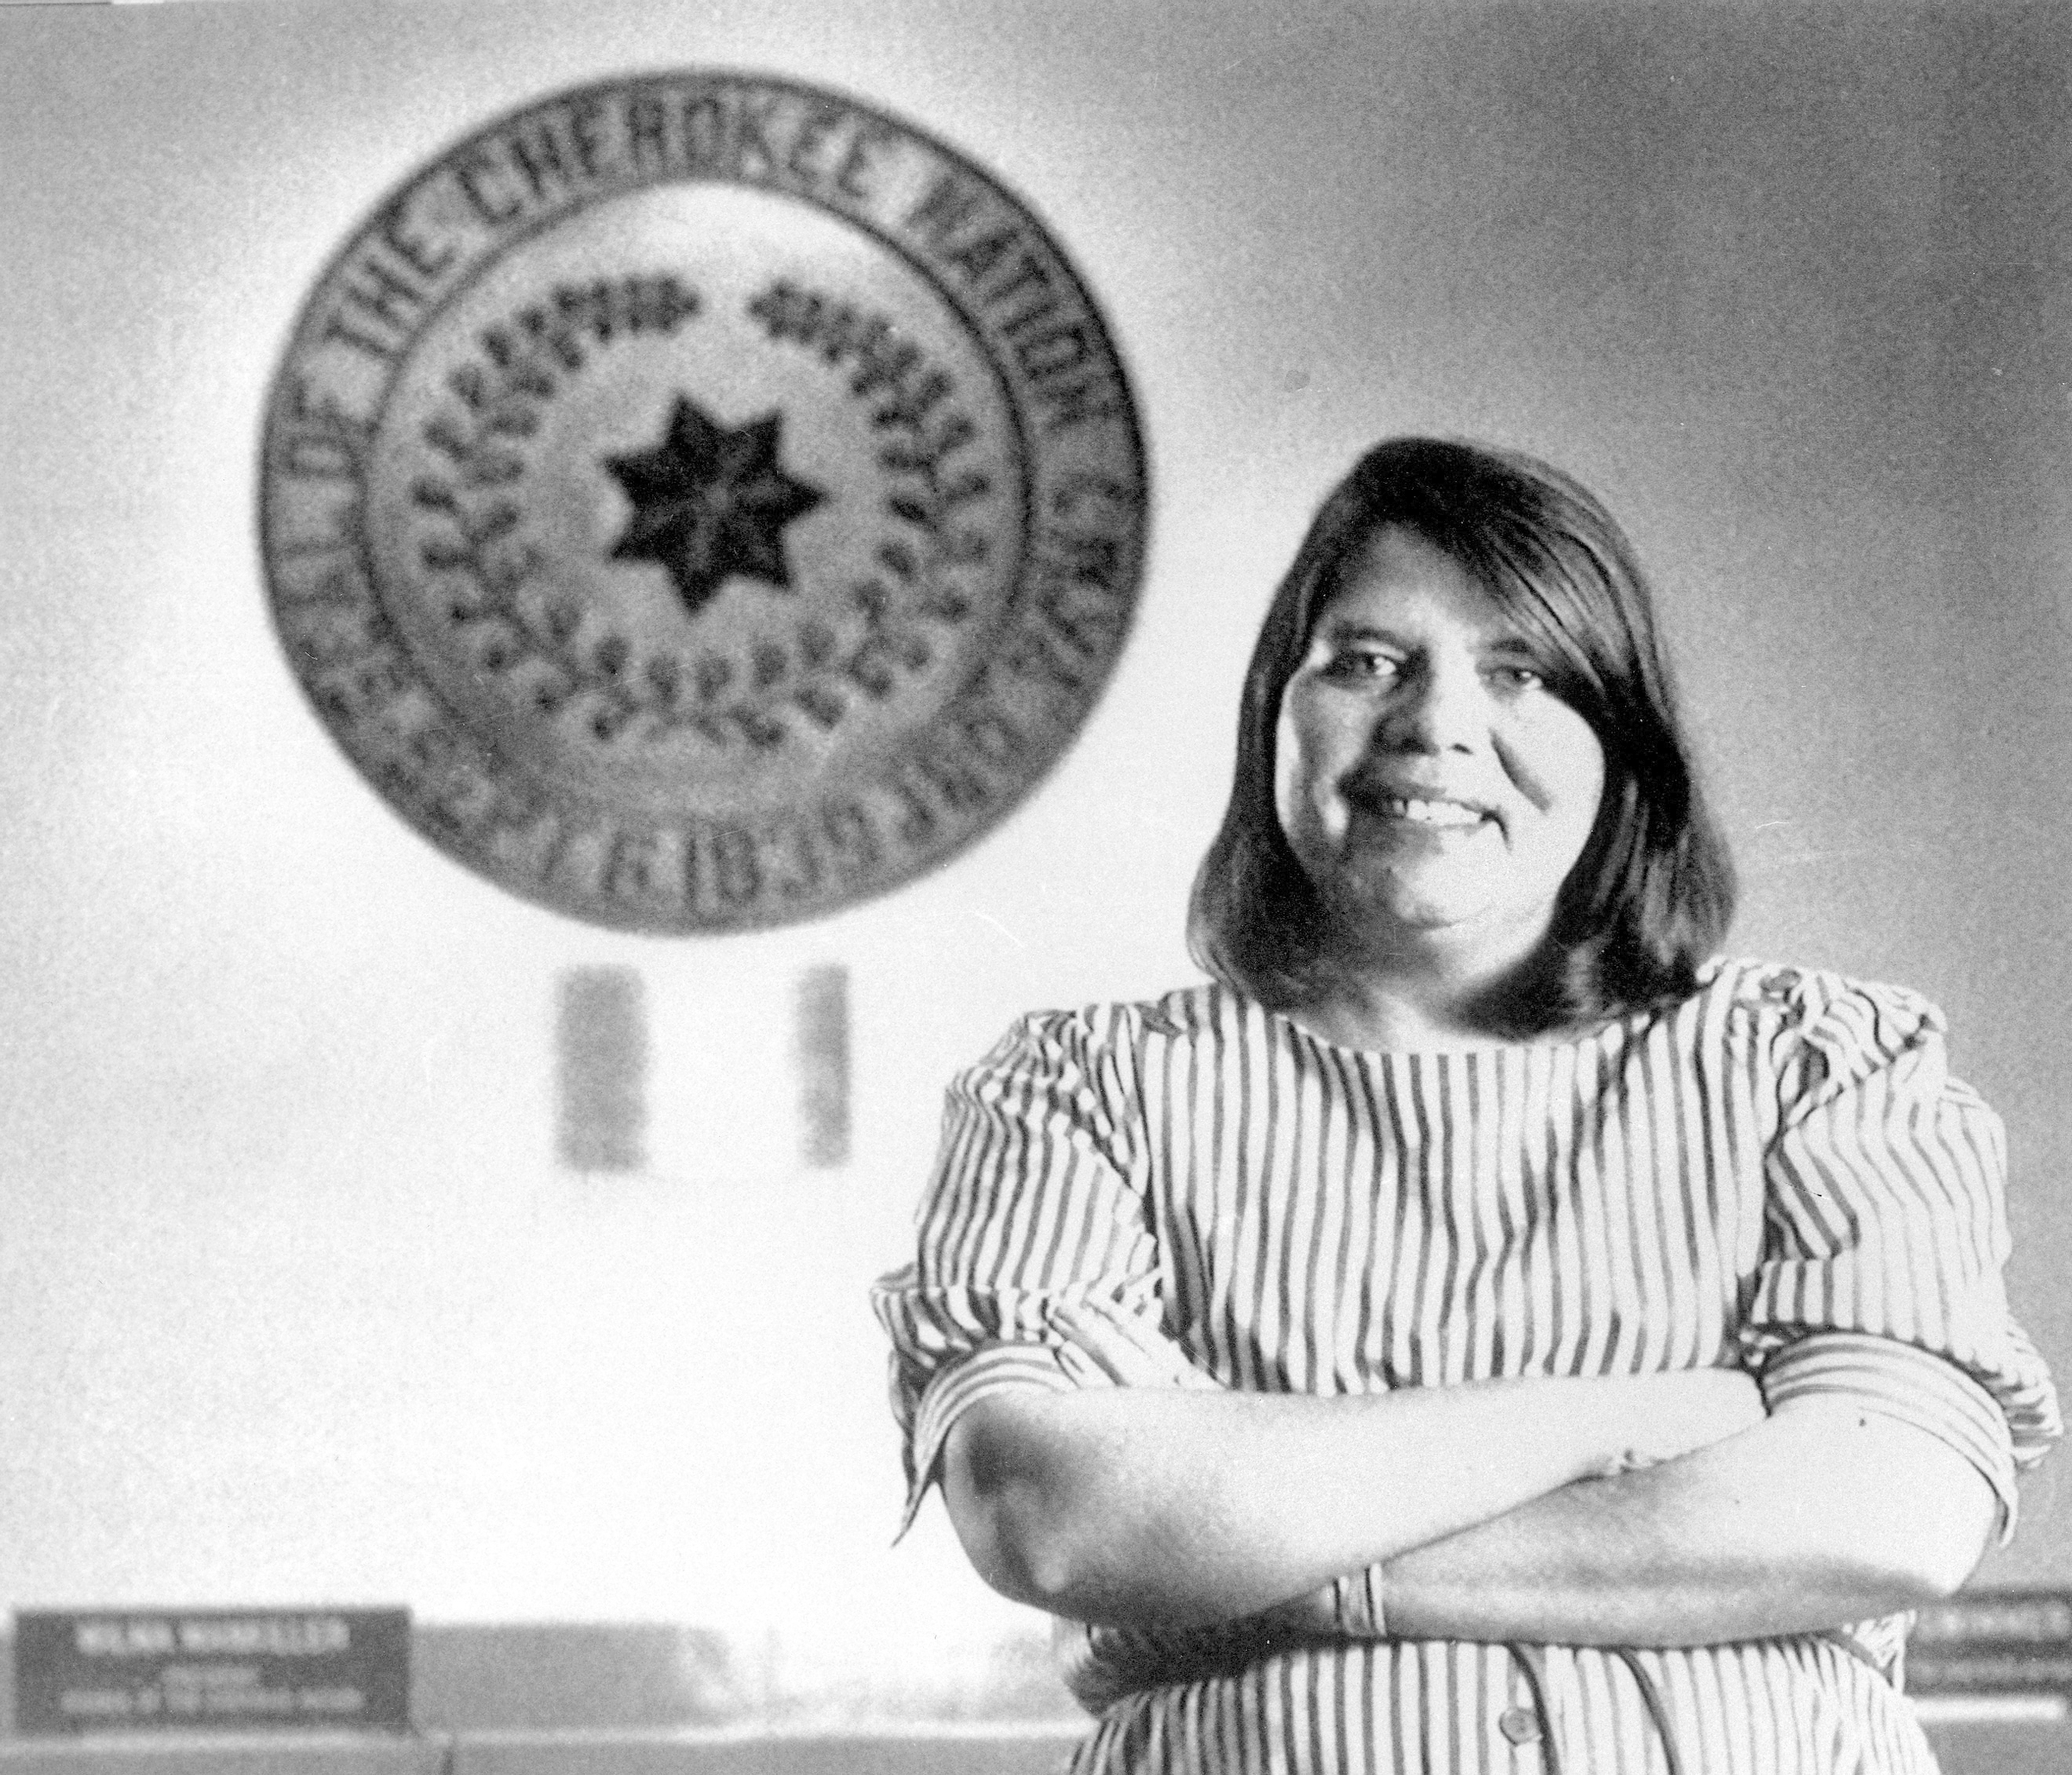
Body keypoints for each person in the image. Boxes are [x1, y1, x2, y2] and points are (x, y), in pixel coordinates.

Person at [871, 437, 2059, 1773]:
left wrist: (1257, 1542)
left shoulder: (1822, 1070)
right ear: (1278, 707)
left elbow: (1886, 1509)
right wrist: (1647, 1415)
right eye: (1369, 661)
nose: (1435, 724)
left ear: (1623, 744)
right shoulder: (1081, 1095)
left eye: (1523, 672)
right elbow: (1054, 1516)